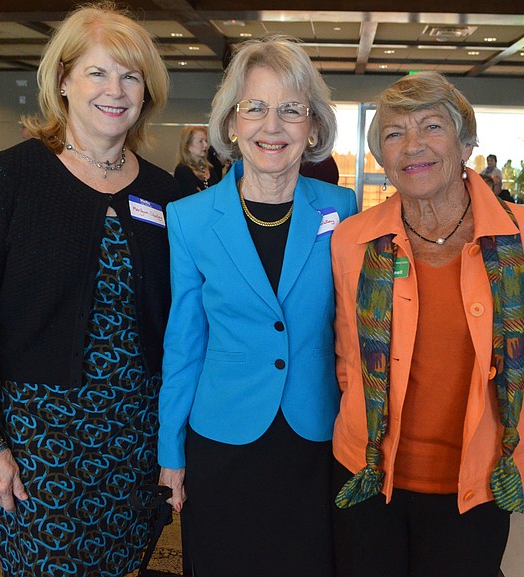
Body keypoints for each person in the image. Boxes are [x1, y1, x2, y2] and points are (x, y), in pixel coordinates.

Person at [0, 3, 178, 576]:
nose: (114, 89)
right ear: (64, 79)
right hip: (42, 437)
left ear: (147, 89)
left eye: (130, 75)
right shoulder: (11, 177)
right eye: (97, 72)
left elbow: (182, 321)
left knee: (126, 566)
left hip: (137, 433)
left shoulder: (165, 193)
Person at [329, 72, 524, 577]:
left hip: (477, 483)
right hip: (369, 475)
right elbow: (349, 360)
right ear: (381, 158)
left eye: (431, 126)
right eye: (393, 133)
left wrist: (522, 470)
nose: (412, 145)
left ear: (465, 144)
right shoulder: (353, 239)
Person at [158, 35, 358, 577]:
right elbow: (183, 343)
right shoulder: (190, 218)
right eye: (256, 108)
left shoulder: (345, 210)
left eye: (292, 110)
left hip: (314, 439)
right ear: (230, 124)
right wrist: (170, 451)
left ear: (312, 128)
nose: (273, 126)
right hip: (222, 440)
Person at [173, 125, 220, 197]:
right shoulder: (183, 171)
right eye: (200, 141)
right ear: (187, 145)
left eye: (206, 141)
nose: (206, 145)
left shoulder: (210, 168)